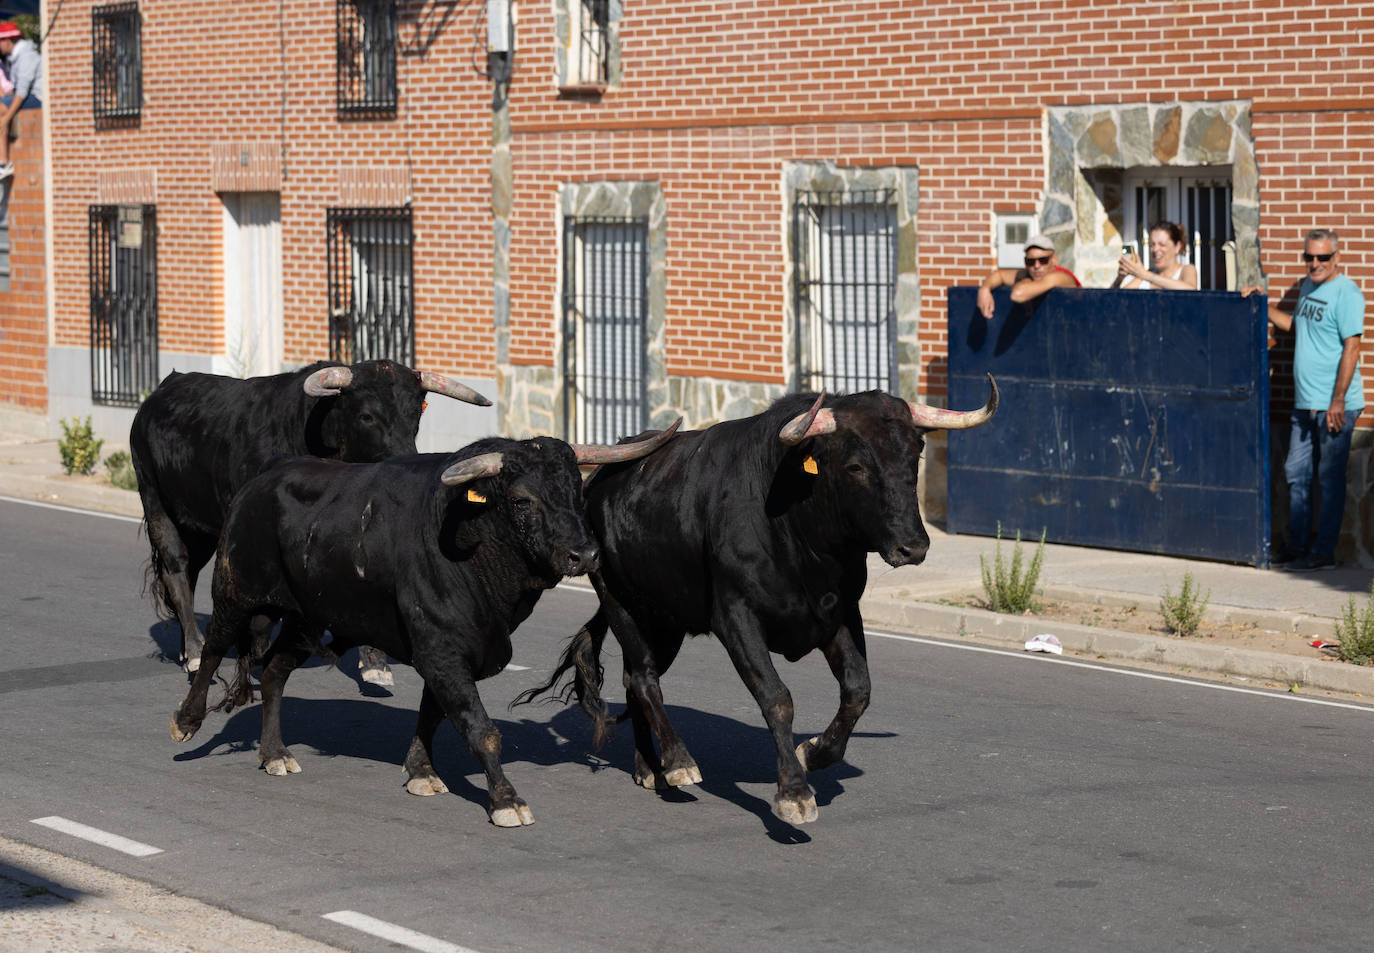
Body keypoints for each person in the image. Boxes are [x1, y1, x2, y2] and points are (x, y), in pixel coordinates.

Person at [1242, 229, 1365, 571]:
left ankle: (1323, 553)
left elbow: (1352, 348)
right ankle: (1298, 547)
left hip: (1334, 406)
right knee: (1296, 475)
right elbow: (1297, 326)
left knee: (1328, 480)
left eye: (1322, 257)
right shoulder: (1309, 287)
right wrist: (1261, 305)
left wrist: (1337, 400)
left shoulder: (1347, 294)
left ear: (1336, 258)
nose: (1315, 264)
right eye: (1309, 257)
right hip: (1303, 404)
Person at [977, 233, 1081, 318]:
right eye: (1030, 261)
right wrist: (985, 289)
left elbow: (1017, 295)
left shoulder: (1060, 277)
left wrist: (1025, 281)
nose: (1036, 266)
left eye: (1043, 260)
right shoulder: (1029, 274)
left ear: (1054, 259)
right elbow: (999, 275)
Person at [0, 20, 42, 182]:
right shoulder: (15, 58)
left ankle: (3, 162)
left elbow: (22, 91)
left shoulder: (27, 56)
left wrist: (6, 117)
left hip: (38, 97)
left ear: (7, 41)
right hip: (27, 96)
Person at [1115, 221, 1199, 290]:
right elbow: (1118, 299)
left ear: (1177, 247)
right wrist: (1119, 279)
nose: (1155, 250)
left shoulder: (1187, 269)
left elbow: (1190, 289)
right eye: (1152, 244)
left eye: (1162, 245)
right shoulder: (1146, 274)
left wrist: (1145, 275)